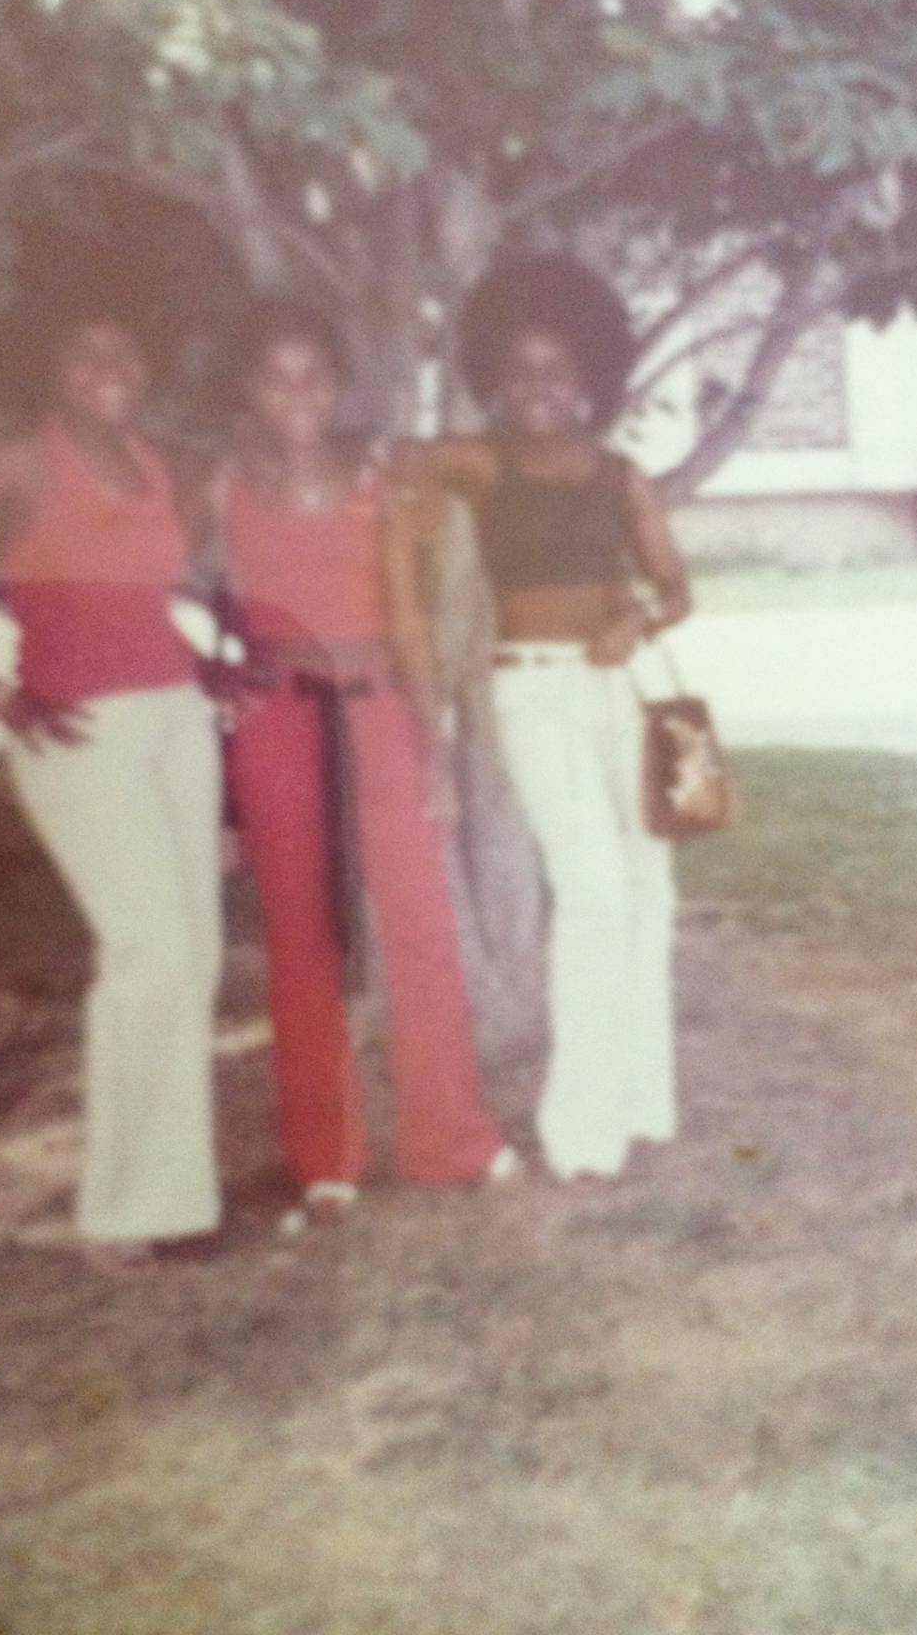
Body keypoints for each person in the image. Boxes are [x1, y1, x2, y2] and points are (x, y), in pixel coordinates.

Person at [0, 316, 224, 1264]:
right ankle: (121, 1216)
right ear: (47, 367)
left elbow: (136, 599)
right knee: (152, 950)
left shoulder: (157, 461)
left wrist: (203, 670)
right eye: (86, 349)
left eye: (127, 347)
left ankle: (173, 1201)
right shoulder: (16, 465)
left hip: (179, 721)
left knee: (196, 951)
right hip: (80, 734)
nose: (113, 367)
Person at [207, 299, 516, 1225]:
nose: (296, 392)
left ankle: (447, 1140)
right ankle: (325, 1153)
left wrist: (434, 748)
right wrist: (214, 662)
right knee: (301, 935)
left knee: (418, 922)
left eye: (314, 373)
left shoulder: (383, 473)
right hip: (277, 720)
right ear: (247, 392)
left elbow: (413, 615)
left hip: (382, 709)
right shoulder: (221, 480)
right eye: (275, 376)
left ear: (338, 384)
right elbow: (138, 571)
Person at [397, 255, 692, 1182]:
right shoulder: (481, 464)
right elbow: (394, 462)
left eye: (559, 371)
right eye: (518, 370)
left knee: (651, 894)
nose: (539, 388)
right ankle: (581, 1129)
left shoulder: (620, 475)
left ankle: (644, 1100)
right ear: (492, 376)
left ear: (591, 381)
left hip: (622, 689)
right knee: (595, 896)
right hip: (532, 691)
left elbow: (676, 586)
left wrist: (642, 616)